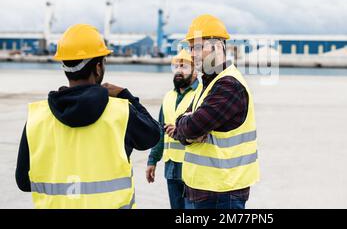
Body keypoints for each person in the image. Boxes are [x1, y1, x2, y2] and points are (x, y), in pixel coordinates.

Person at [15, 24, 161, 209]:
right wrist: (126, 94)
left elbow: (23, 181)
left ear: (65, 67)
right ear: (98, 68)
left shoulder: (37, 118)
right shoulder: (121, 113)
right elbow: (154, 134)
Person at [168, 14, 260, 209]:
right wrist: (186, 129)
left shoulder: (228, 85)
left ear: (218, 47)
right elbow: (182, 124)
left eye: (198, 47)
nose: (192, 54)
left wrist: (188, 129)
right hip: (205, 190)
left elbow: (191, 127)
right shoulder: (207, 83)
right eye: (191, 48)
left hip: (222, 192)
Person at [146, 49, 201, 209]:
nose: (178, 70)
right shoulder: (168, 97)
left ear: (195, 71)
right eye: (176, 66)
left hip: (193, 167)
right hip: (171, 169)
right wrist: (152, 161)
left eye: (183, 67)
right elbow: (160, 132)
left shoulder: (201, 94)